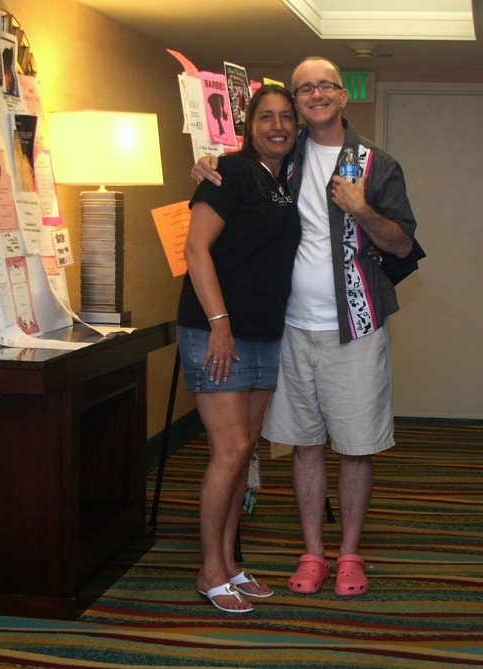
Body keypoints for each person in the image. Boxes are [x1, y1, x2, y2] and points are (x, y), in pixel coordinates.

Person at [191, 56, 418, 598]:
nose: (315, 95)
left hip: (355, 326)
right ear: (296, 103)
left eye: (324, 86)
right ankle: (313, 552)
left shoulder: (375, 163)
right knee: (304, 444)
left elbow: (403, 244)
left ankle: (350, 555)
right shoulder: (282, 159)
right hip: (287, 328)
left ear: (342, 95)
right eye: (304, 89)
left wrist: (362, 210)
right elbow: (236, 192)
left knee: (355, 446)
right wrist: (208, 166)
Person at [178, 84, 301, 612]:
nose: (277, 126)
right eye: (266, 117)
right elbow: (195, 249)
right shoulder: (228, 172)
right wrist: (220, 323)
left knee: (242, 452)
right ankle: (210, 570)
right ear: (249, 126)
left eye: (286, 117)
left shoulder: (285, 181)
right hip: (216, 332)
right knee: (229, 451)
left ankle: (229, 563)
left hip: (265, 333)